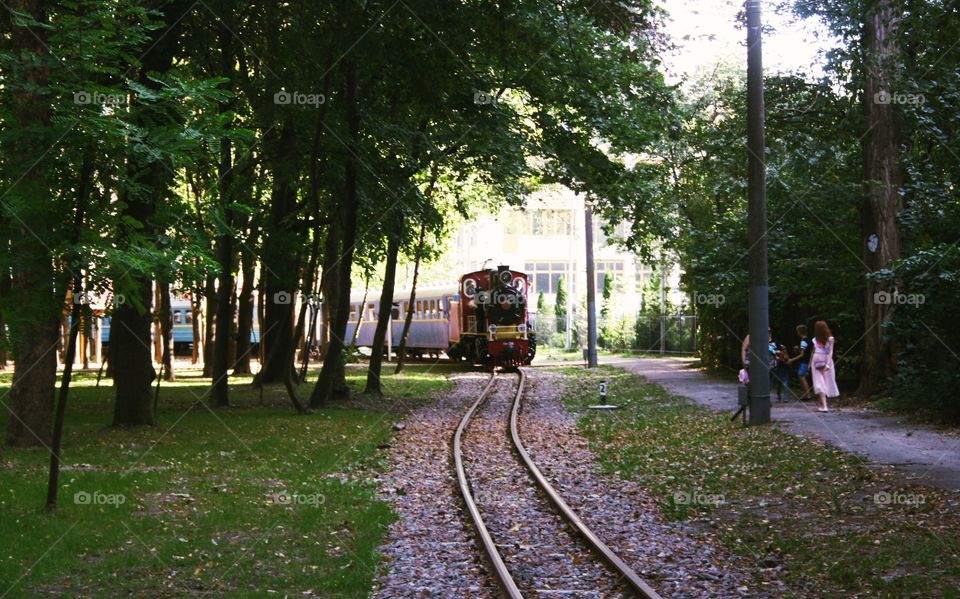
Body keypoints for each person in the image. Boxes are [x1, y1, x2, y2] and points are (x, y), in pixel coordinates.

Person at [810, 320, 839, 412]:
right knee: (824, 382)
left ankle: (823, 405)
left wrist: (810, 363)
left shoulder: (815, 339)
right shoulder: (830, 339)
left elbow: (814, 351)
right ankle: (823, 405)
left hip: (816, 360)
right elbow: (831, 352)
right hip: (826, 360)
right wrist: (828, 363)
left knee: (820, 382)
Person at [789, 324, 813, 400]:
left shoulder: (803, 342)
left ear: (799, 332)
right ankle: (806, 394)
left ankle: (808, 395)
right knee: (802, 376)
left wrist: (792, 360)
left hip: (805, 361)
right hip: (808, 360)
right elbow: (807, 351)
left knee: (801, 375)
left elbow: (802, 354)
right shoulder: (810, 340)